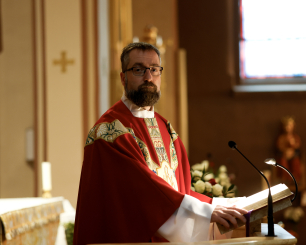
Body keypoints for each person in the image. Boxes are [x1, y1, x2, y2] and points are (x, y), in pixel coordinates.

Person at [73, 42, 247, 245]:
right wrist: (207, 211)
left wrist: (222, 204)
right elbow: (144, 192)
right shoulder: (109, 133)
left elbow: (179, 193)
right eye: (138, 70)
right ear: (123, 77)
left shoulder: (167, 129)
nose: (148, 77)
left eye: (154, 70)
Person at [276, 116, 302, 183]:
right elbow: (279, 147)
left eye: (290, 126)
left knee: (295, 162)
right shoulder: (281, 137)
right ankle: (285, 178)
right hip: (284, 155)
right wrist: (285, 151)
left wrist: (292, 146)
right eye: (286, 126)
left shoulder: (295, 137)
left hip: (293, 155)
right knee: (282, 162)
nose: (288, 128)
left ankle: (295, 178)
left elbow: (298, 147)